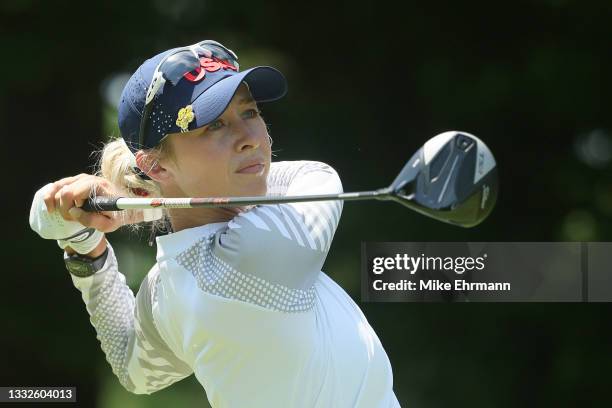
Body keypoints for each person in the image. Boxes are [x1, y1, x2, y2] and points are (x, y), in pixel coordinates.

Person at [29, 40, 401, 407]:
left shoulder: (169, 287)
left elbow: (134, 369)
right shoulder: (255, 253)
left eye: (250, 113)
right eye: (214, 125)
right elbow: (317, 175)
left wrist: (87, 250)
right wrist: (134, 210)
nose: (250, 139)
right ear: (155, 166)